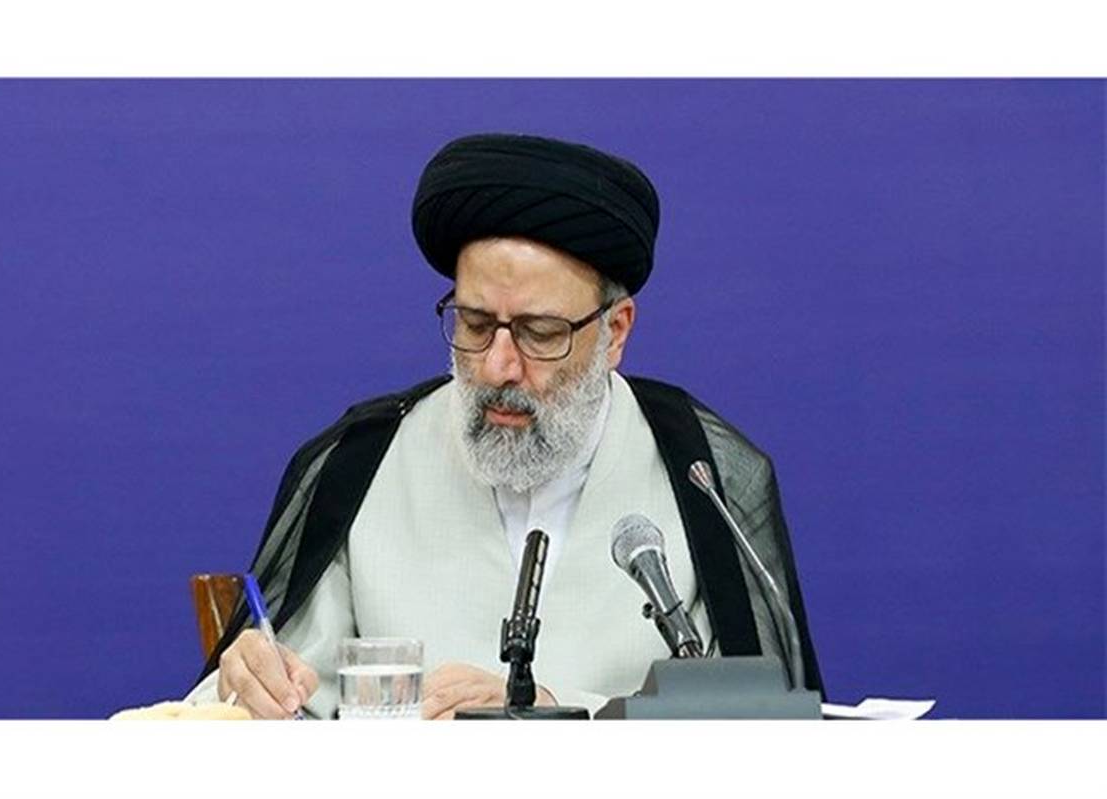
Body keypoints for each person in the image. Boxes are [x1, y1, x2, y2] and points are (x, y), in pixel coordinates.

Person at [186, 132, 823, 719]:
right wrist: (248, 682)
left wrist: (556, 715)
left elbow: (766, 727)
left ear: (615, 332)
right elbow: (283, 706)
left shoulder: (704, 475)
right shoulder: (361, 463)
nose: (497, 366)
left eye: (539, 334)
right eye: (474, 324)